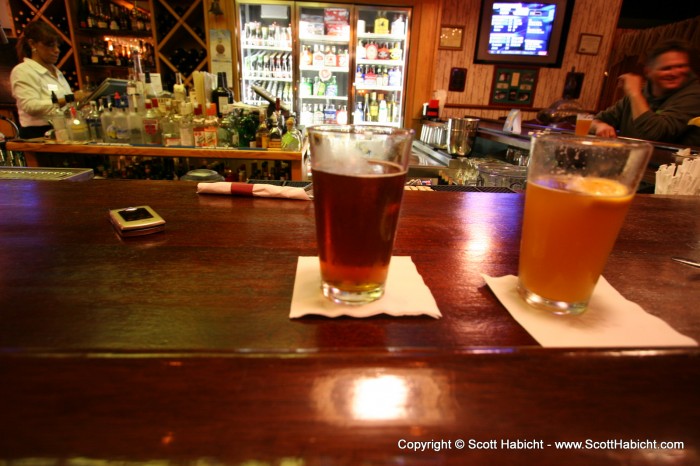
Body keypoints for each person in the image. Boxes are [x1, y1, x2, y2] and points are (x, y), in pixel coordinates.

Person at [591, 39, 700, 148]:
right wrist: (600, 126)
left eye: (681, 66)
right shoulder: (639, 94)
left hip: (670, 163)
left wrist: (634, 93)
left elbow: (654, 134)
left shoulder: (694, 95)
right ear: (648, 72)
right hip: (632, 160)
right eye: (666, 68)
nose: (675, 73)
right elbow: (594, 121)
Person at [10, 21, 84, 139]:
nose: (57, 50)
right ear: (32, 44)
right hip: (38, 136)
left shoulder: (56, 72)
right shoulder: (23, 71)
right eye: (50, 45)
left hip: (64, 131)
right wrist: (69, 99)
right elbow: (30, 106)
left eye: (57, 46)